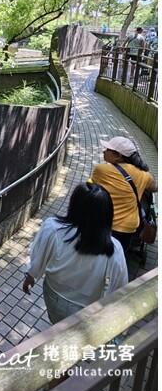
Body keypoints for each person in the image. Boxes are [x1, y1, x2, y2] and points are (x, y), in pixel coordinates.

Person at [22, 183, 129, 323]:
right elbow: (120, 286)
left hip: (54, 296)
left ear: (73, 206)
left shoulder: (53, 228)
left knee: (57, 326)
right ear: (107, 214)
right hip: (90, 308)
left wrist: (31, 276)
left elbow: (38, 256)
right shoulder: (114, 249)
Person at [89, 136, 157, 264]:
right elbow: (155, 187)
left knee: (96, 254)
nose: (104, 151)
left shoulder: (101, 170)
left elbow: (92, 187)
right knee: (117, 256)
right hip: (127, 227)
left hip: (104, 222)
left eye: (107, 149)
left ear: (118, 156)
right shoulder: (144, 175)